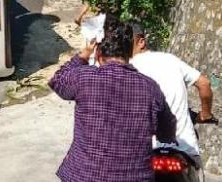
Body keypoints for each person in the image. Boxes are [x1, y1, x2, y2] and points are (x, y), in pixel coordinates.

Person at [49, 23, 177, 182]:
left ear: (98, 54)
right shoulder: (150, 87)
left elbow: (57, 81)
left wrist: (84, 54)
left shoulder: (85, 78)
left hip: (84, 176)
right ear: (129, 54)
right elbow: (167, 130)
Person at [129, 22, 215, 170]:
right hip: (183, 149)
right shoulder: (170, 59)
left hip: (143, 153)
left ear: (141, 42)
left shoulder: (126, 68)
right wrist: (205, 114)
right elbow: (204, 84)